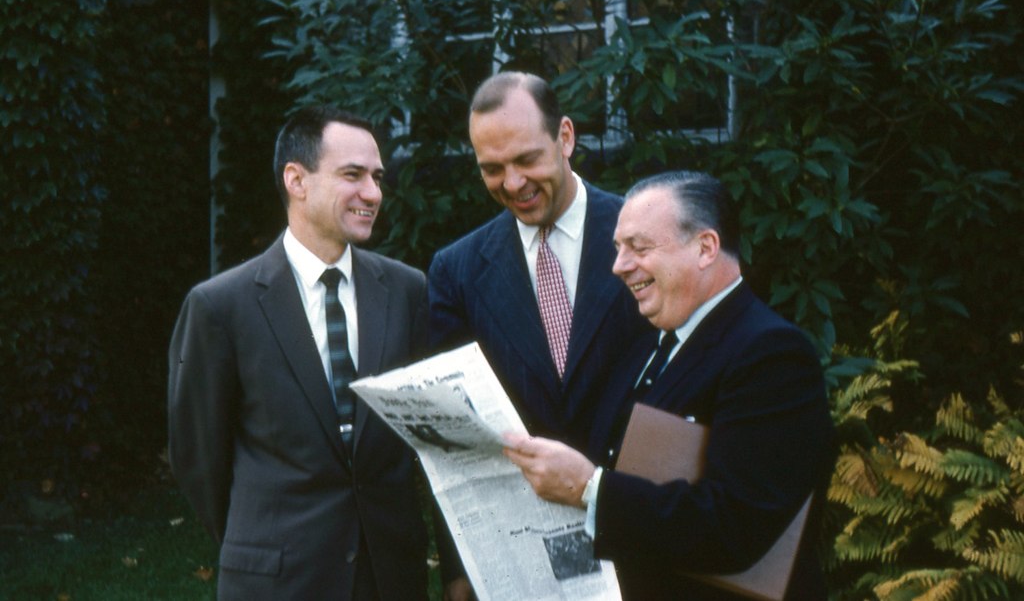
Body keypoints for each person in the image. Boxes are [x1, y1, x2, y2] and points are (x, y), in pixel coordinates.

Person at [504, 170, 835, 600]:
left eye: (639, 248)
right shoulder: (646, 342)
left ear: (705, 248)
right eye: (618, 248)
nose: (619, 266)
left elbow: (736, 526)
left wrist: (590, 488)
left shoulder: (772, 355)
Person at [168, 105, 430, 600]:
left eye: (376, 177)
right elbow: (196, 456)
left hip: (390, 578)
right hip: (276, 580)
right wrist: (266, 541)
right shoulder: (221, 306)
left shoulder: (405, 290)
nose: (373, 193)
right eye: (352, 175)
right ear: (297, 180)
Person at [428, 72, 651, 599]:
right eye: (492, 168)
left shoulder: (647, 237)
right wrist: (461, 572)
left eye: (526, 160)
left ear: (566, 138)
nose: (512, 183)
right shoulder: (456, 271)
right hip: (519, 561)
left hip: (642, 540)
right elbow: (453, 436)